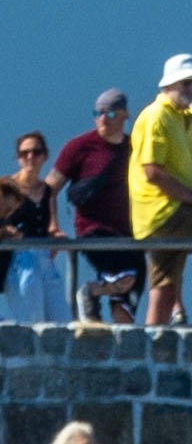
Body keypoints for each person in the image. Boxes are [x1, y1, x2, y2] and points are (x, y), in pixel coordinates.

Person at [128, 59, 192, 326]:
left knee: (165, 288)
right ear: (169, 84)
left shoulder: (186, 119)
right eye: (186, 82)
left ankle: (151, 351)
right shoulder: (156, 116)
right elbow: (152, 171)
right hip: (164, 211)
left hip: (178, 210)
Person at [57, 94, 128, 323]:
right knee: (126, 275)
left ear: (124, 115)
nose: (102, 120)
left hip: (128, 233)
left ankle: (99, 321)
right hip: (93, 230)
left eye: (108, 113)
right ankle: (91, 292)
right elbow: (50, 188)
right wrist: (52, 225)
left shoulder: (135, 148)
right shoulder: (79, 147)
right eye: (97, 114)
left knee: (126, 297)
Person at [0, 130, 56, 327]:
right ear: (18, 158)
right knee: (33, 324)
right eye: (25, 153)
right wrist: (6, 232)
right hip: (19, 260)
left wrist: (56, 237)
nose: (31, 157)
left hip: (43, 258)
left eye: (36, 152)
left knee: (61, 322)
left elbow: (51, 226)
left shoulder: (47, 190)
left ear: (45, 156)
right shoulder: (6, 188)